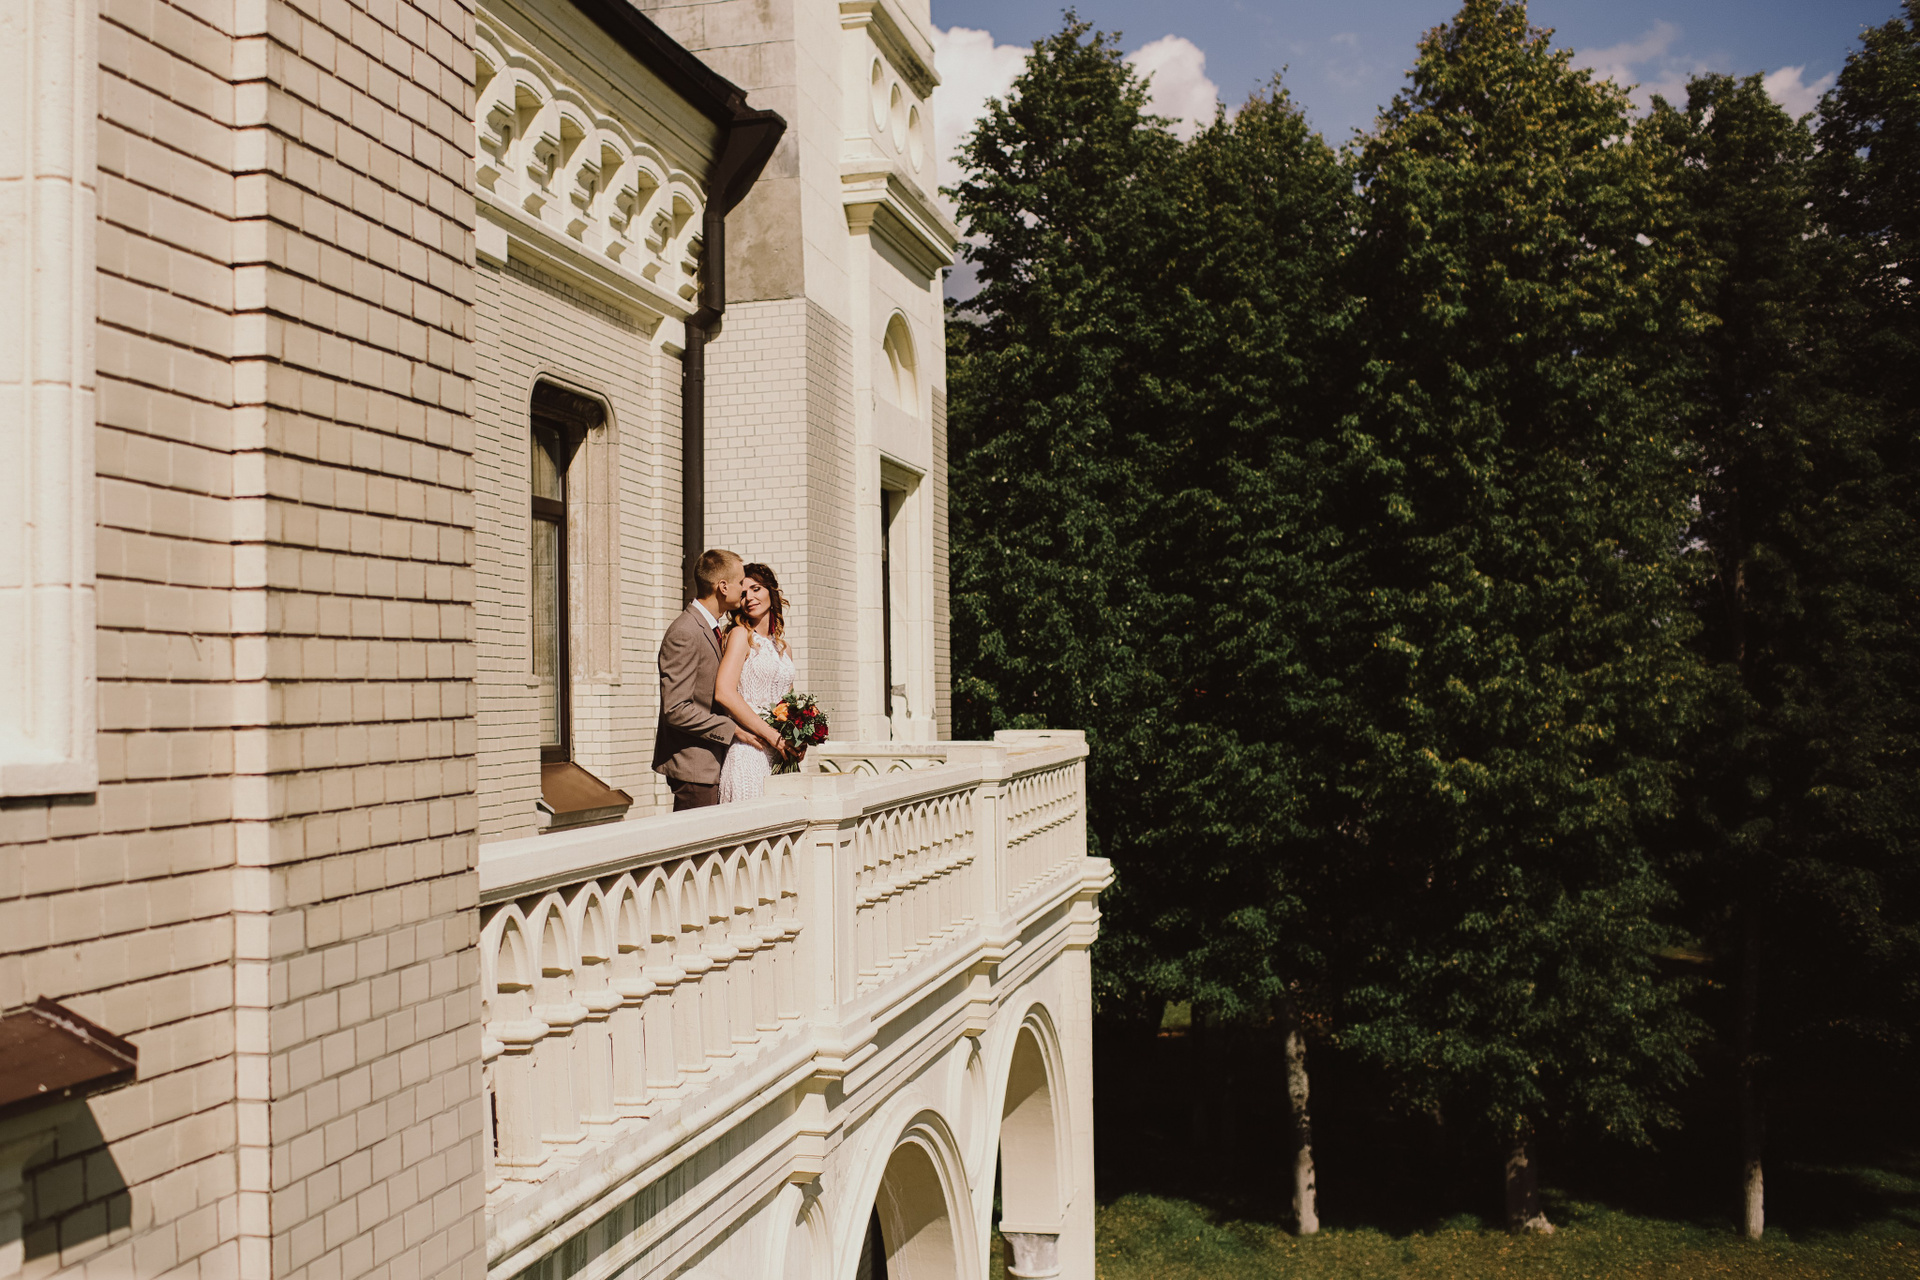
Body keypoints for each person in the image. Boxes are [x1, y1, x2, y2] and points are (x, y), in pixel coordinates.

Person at [652, 548, 764, 811]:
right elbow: (676, 709)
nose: (744, 590)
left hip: (715, 765)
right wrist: (732, 729)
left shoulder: (713, 629)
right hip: (695, 771)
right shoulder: (685, 631)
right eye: (740, 583)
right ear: (723, 587)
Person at [715, 562, 798, 803]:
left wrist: (797, 739)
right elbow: (724, 693)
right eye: (743, 594)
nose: (749, 597)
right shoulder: (740, 635)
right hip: (750, 752)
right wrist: (771, 736)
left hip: (780, 755)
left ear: (771, 591)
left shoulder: (783, 648)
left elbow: (787, 705)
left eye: (756, 589)